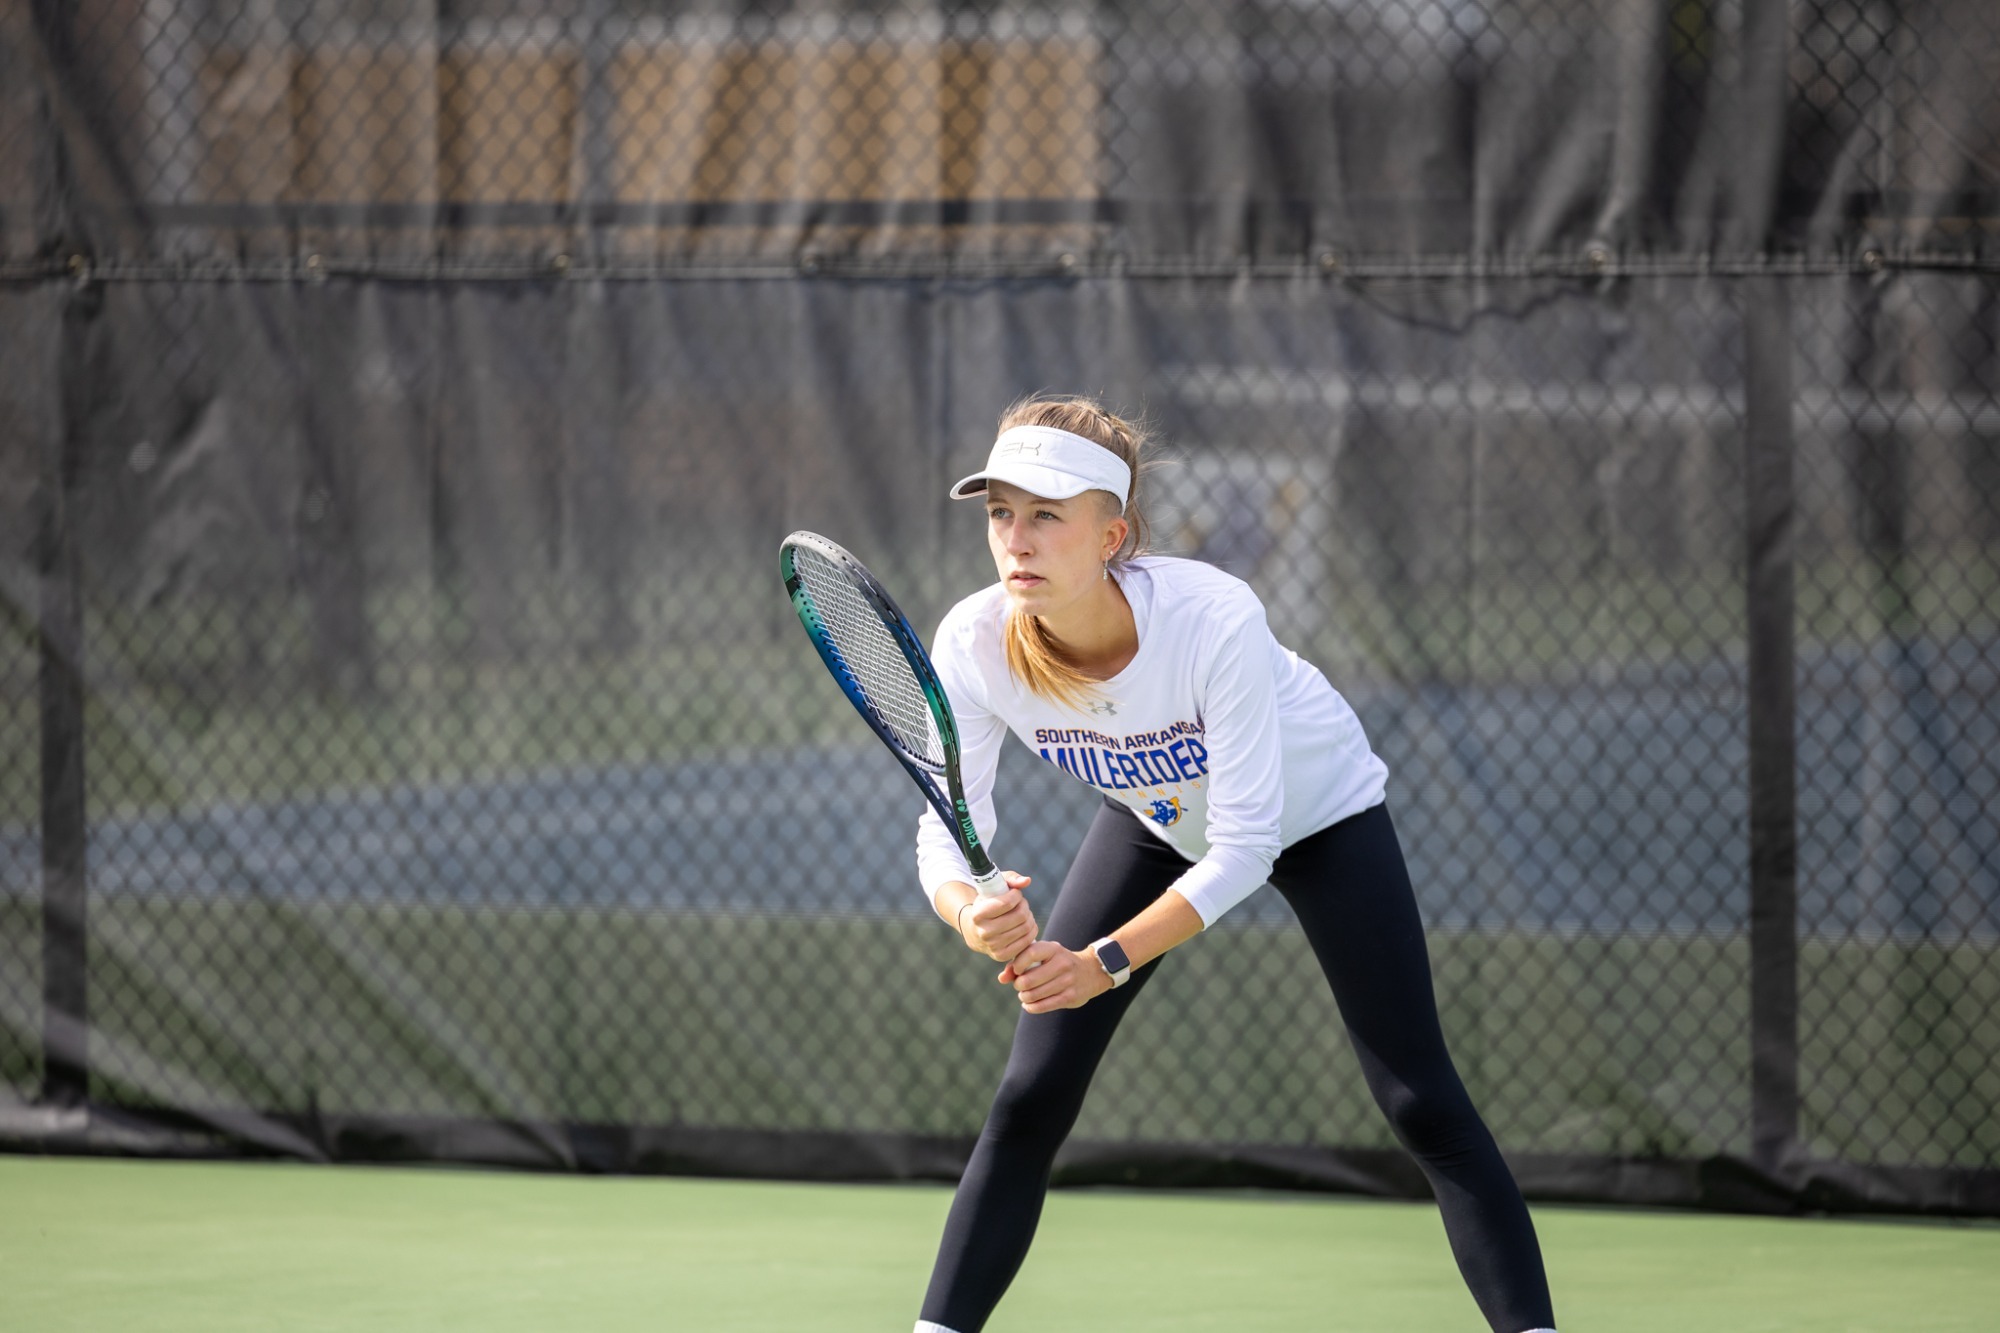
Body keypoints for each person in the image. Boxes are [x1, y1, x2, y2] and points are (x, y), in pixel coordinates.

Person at [910, 396, 1558, 1333]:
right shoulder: (974, 641)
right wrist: (970, 910)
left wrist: (1101, 963)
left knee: (1419, 1099)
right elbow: (944, 829)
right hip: (1153, 819)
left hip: (1319, 816)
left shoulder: (1213, 616)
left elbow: (1248, 846)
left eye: (1047, 515)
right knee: (1029, 1092)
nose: (1018, 538)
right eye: (1000, 512)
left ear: (1111, 535)